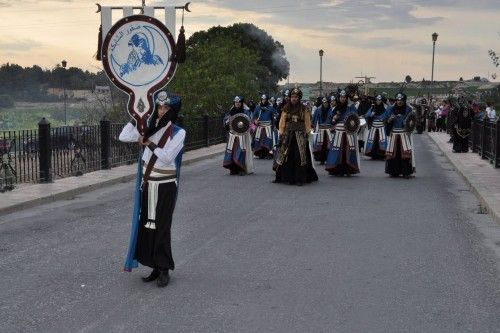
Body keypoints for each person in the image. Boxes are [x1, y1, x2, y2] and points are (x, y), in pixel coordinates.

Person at [120, 90, 186, 287]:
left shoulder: (178, 132)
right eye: (159, 107)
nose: (161, 111)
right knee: (148, 226)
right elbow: (123, 136)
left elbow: (166, 157)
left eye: (166, 108)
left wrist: (148, 142)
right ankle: (154, 266)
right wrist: (136, 117)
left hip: (165, 185)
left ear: (172, 111)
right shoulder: (147, 127)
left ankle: (164, 268)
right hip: (148, 184)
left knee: (162, 227)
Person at [274, 87, 318, 185]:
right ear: (290, 97)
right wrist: (281, 132)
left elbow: (307, 122)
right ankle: (284, 177)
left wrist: (308, 132)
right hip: (288, 134)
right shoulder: (286, 108)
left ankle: (299, 179)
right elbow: (282, 121)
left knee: (299, 156)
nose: (294, 98)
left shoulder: (304, 108)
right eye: (292, 96)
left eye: (296, 97)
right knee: (284, 155)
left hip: (300, 135)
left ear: (299, 98)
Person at [325, 89, 360, 176]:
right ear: (339, 98)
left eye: (344, 97)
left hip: (349, 133)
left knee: (349, 150)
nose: (343, 99)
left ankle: (349, 169)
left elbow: (356, 119)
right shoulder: (335, 108)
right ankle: (337, 169)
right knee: (337, 151)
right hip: (338, 133)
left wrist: (352, 124)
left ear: (346, 98)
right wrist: (334, 118)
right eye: (341, 97)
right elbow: (331, 121)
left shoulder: (351, 108)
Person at [385, 93, 415, 178]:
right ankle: (393, 171)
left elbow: (412, 120)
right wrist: (390, 119)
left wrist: (407, 124)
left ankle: (406, 172)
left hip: (404, 133)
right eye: (398, 100)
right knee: (393, 153)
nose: (399, 102)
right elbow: (386, 120)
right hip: (393, 133)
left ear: (404, 100)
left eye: (401, 100)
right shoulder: (390, 109)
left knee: (405, 152)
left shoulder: (408, 109)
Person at [223, 96, 254, 175]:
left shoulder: (245, 111)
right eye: (236, 102)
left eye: (239, 102)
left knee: (241, 151)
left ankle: (241, 169)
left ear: (241, 103)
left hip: (242, 135)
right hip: (232, 135)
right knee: (231, 151)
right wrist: (227, 121)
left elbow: (249, 121)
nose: (237, 104)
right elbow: (226, 120)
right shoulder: (231, 111)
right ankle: (233, 168)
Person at [364, 94, 388, 159]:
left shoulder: (385, 108)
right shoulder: (372, 108)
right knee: (373, 141)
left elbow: (387, 116)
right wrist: (371, 115)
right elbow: (366, 116)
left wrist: (385, 119)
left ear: (382, 101)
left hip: (382, 127)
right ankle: (373, 154)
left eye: (379, 100)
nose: (378, 101)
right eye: (377, 100)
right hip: (373, 127)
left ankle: (382, 154)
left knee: (381, 140)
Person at [252, 94, 276, 159]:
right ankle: (260, 154)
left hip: (268, 127)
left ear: (267, 100)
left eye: (265, 99)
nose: (263, 101)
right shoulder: (257, 107)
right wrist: (255, 121)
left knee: (268, 140)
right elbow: (254, 117)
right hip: (259, 126)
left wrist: (273, 126)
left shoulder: (271, 108)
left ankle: (268, 154)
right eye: (262, 99)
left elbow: (273, 118)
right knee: (258, 140)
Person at [312, 96, 334, 164]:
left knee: (329, 145)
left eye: (327, 103)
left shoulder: (332, 110)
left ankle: (328, 159)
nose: (325, 104)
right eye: (324, 103)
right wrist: (314, 126)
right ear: (322, 103)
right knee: (321, 145)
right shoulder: (318, 109)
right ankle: (321, 159)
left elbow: (334, 120)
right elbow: (314, 118)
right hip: (321, 130)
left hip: (329, 130)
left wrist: (333, 127)